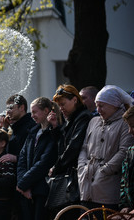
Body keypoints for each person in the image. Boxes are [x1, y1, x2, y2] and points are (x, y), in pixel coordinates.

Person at [78, 85, 134, 213]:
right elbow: (84, 147)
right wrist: (82, 167)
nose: (98, 110)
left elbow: (124, 151)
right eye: (97, 105)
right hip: (86, 184)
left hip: (108, 187)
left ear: (114, 105)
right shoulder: (93, 121)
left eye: (102, 106)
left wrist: (105, 170)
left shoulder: (124, 123)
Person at [47, 84, 92, 219]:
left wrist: (56, 167)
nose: (61, 108)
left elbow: (73, 147)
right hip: (71, 176)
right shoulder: (70, 120)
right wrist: (55, 128)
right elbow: (63, 146)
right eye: (59, 106)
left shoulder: (82, 117)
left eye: (63, 104)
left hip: (77, 176)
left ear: (74, 100)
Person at [17, 97, 59, 220]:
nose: (32, 116)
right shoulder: (33, 132)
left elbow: (44, 162)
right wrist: (22, 185)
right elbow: (22, 158)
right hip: (27, 189)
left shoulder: (54, 132)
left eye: (35, 112)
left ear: (46, 111)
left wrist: (23, 183)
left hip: (42, 190)